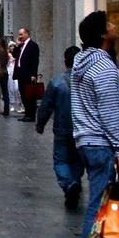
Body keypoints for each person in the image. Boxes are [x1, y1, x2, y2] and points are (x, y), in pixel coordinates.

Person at [71, 11, 119, 238]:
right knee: (98, 202)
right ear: (103, 34)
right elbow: (109, 111)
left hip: (84, 138)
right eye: (109, 23)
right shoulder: (103, 67)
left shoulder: (81, 63)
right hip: (99, 141)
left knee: (100, 199)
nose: (114, 25)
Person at [37, 46, 84, 210]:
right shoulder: (86, 81)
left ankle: (69, 183)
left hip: (62, 128)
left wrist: (40, 123)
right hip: (82, 129)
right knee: (77, 159)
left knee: (61, 160)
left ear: (65, 62)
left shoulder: (57, 82)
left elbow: (46, 106)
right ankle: (75, 181)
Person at [15, 27, 40, 122]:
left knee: (29, 95)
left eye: (21, 34)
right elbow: (15, 55)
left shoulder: (33, 45)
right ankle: (27, 113)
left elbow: (35, 61)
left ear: (27, 34)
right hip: (20, 74)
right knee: (23, 94)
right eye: (19, 34)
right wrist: (17, 45)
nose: (20, 36)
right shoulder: (21, 45)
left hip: (28, 74)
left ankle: (31, 115)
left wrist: (33, 74)